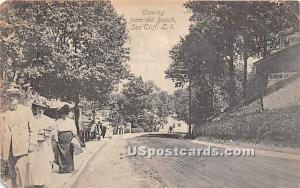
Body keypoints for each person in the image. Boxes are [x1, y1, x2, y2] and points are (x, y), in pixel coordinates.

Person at [0, 84, 32, 188]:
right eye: (9, 96)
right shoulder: (4, 113)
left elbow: (33, 129)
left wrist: (32, 144)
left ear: (18, 97)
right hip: (9, 148)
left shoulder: (26, 110)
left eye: (14, 95)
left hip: (22, 146)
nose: (12, 98)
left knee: (20, 170)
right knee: (13, 173)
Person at [28, 99, 55, 187]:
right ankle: (36, 183)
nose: (40, 110)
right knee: (34, 164)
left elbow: (53, 133)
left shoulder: (48, 120)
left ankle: (42, 183)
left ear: (44, 110)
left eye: (42, 109)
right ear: (36, 109)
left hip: (44, 145)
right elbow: (29, 131)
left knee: (44, 164)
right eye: (38, 108)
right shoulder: (32, 119)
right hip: (34, 145)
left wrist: (44, 132)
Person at [55, 104, 84, 173]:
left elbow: (74, 131)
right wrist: (56, 139)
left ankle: (69, 169)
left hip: (69, 139)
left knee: (69, 153)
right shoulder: (58, 121)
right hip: (61, 139)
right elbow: (55, 131)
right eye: (62, 114)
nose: (64, 116)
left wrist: (77, 139)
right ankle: (62, 169)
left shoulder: (71, 121)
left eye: (65, 114)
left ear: (67, 114)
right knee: (61, 154)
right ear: (61, 114)